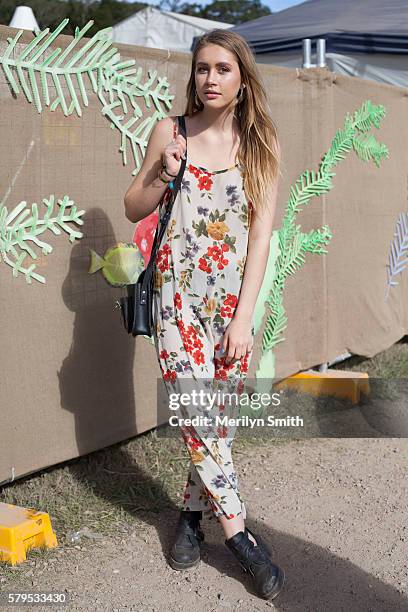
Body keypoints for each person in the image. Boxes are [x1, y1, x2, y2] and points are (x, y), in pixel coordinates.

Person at [124, 29, 284, 600]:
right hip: (177, 299)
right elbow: (132, 206)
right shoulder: (171, 133)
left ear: (242, 80)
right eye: (201, 68)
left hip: (232, 306)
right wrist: (162, 173)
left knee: (216, 419)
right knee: (196, 408)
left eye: (222, 69)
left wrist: (244, 319)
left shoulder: (261, 144)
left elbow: (261, 239)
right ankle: (240, 535)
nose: (209, 79)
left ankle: (191, 518)